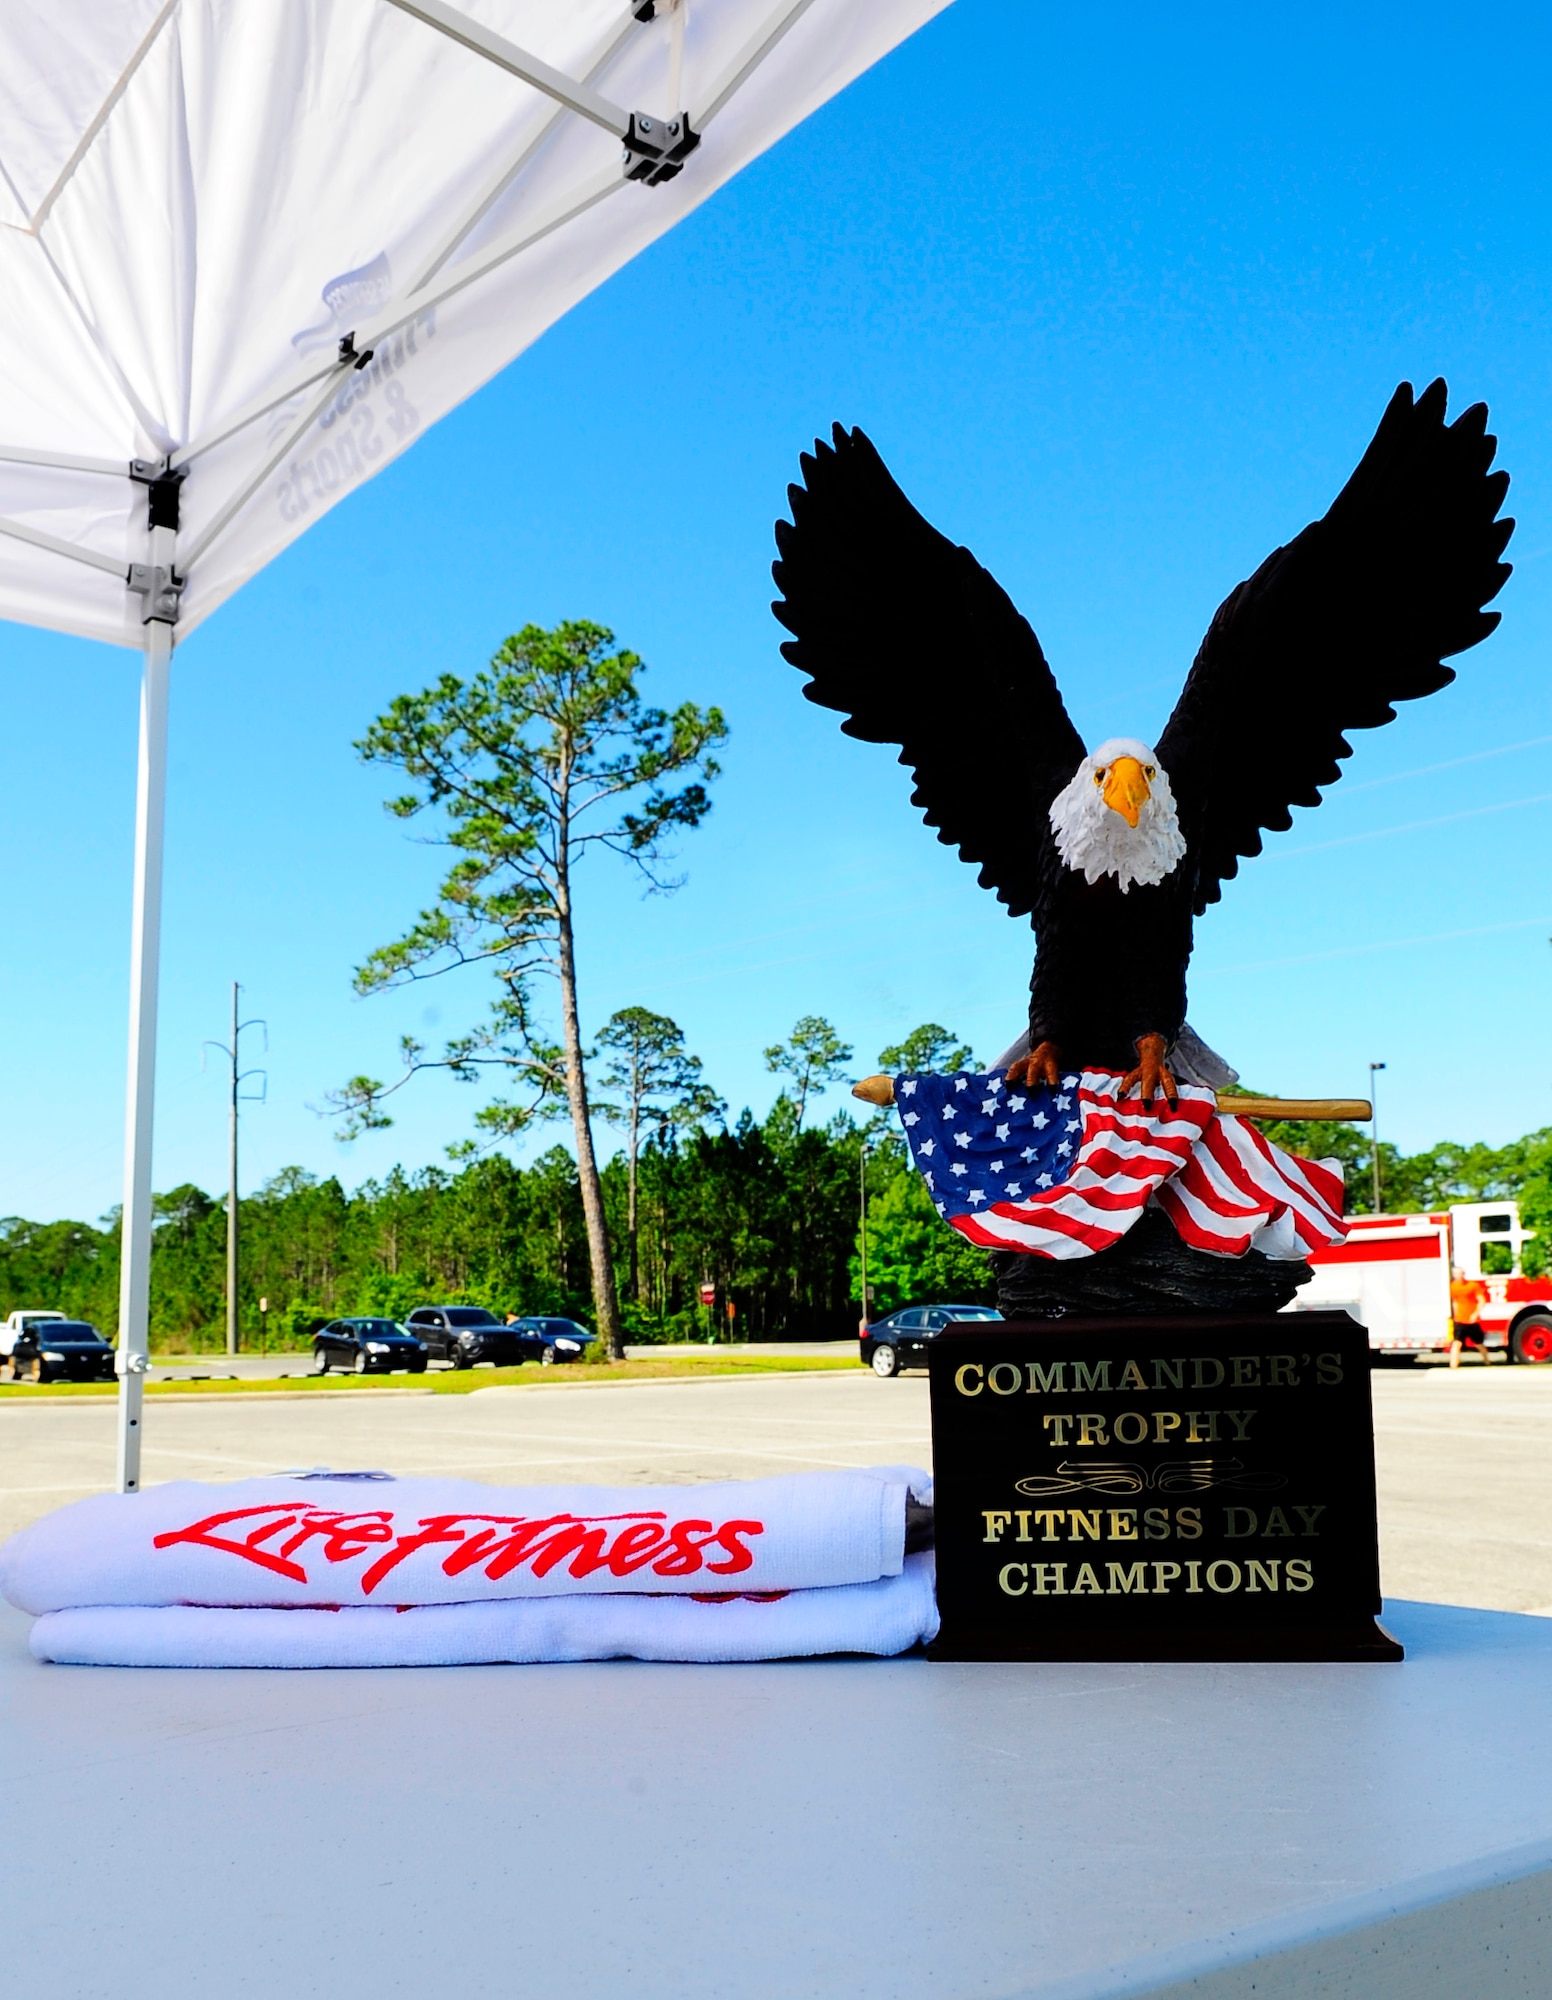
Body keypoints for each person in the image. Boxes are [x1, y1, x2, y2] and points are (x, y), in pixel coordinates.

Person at [1448, 1266, 1490, 1368]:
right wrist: (1454, 1316)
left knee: (1479, 1344)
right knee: (1456, 1344)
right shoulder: (1452, 1287)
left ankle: (1487, 1361)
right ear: (1453, 1275)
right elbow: (1455, 1302)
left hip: (1472, 1321)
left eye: (1460, 1273)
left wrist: (1475, 1314)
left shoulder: (1472, 1285)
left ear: (1464, 1274)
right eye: (1456, 1274)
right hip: (1460, 1320)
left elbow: (1482, 1300)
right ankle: (1453, 1366)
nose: (1459, 1276)